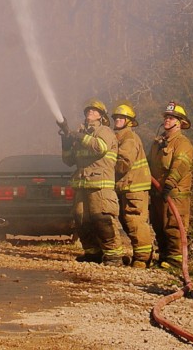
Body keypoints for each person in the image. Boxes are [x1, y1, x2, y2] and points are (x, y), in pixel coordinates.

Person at [60, 99, 121, 264]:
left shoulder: (105, 131)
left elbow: (99, 147)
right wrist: (65, 143)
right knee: (80, 220)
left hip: (100, 186)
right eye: (88, 111)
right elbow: (69, 161)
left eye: (94, 111)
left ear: (101, 116)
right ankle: (92, 253)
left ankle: (114, 256)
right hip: (82, 185)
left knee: (102, 219)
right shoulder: (82, 135)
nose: (90, 113)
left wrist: (77, 136)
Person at [148, 101, 193, 270]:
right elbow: (148, 164)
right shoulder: (158, 143)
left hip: (175, 194)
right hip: (158, 193)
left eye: (171, 117)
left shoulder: (183, 144)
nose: (167, 120)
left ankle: (176, 259)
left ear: (180, 123)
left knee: (173, 225)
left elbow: (180, 166)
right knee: (158, 224)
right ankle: (164, 256)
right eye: (166, 116)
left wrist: (168, 185)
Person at [110, 102, 153, 267]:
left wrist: (106, 169)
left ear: (129, 121)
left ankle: (142, 259)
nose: (118, 120)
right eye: (117, 117)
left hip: (134, 187)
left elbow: (123, 163)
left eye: (122, 117)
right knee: (126, 219)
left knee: (134, 221)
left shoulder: (129, 137)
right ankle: (143, 254)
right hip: (126, 186)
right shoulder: (119, 137)